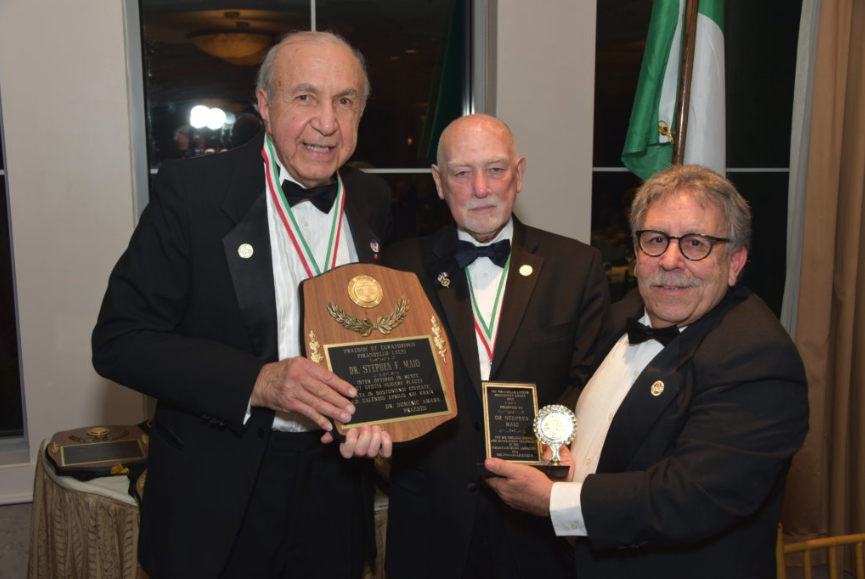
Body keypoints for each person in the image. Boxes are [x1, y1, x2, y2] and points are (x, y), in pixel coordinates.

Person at [92, 31, 393, 579]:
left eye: (345, 101)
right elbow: (120, 341)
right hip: (221, 487)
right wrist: (258, 381)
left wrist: (382, 410)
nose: (327, 122)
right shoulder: (193, 193)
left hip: (336, 483)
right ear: (264, 104)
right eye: (305, 97)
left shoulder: (372, 198)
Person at [484, 165, 810, 579]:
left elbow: (690, 498)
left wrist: (553, 501)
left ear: (734, 262)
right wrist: (556, 445)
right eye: (656, 240)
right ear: (636, 253)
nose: (670, 261)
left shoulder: (758, 358)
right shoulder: (623, 312)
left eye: (696, 243)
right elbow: (585, 397)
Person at [384, 114, 610, 578]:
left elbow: (587, 380)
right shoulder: (398, 267)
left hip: (534, 521)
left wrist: (555, 446)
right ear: (438, 182)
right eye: (461, 173)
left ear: (519, 174)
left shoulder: (576, 266)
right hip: (431, 519)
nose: (481, 189)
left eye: (496, 169)